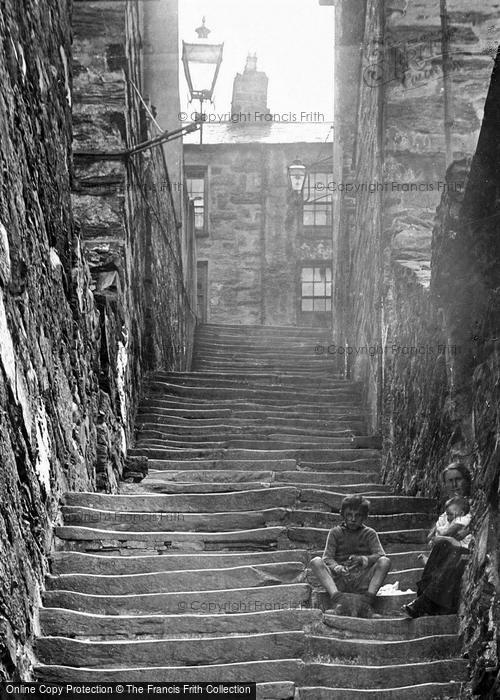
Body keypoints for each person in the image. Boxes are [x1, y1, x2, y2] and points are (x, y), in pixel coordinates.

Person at [404, 461, 472, 618]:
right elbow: (434, 534)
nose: (454, 484)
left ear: (467, 480)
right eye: (450, 481)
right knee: (442, 548)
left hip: (467, 552)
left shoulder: (473, 504)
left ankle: (424, 602)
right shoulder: (449, 509)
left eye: (458, 479)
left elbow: (457, 532)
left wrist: (441, 536)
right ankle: (427, 599)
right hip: (451, 551)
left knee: (450, 550)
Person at [310, 494, 391, 616]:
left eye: (357, 516)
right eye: (349, 515)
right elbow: (327, 558)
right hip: (340, 579)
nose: (353, 519)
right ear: (343, 515)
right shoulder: (335, 532)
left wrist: (363, 559)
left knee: (385, 561)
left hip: (362, 580)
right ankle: (337, 599)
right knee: (316, 561)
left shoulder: (369, 533)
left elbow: (380, 555)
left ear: (364, 517)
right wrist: (337, 567)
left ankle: (367, 601)